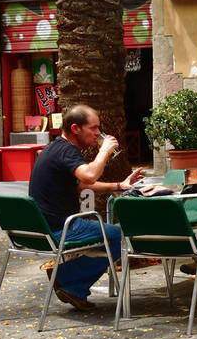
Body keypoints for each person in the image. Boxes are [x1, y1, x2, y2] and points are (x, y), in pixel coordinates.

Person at [27, 103, 144, 311]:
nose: (98, 133)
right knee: (121, 237)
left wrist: (119, 185)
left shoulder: (55, 148)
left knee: (109, 235)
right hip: (61, 228)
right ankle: (69, 281)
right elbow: (89, 175)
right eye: (93, 128)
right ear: (75, 128)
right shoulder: (67, 150)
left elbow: (82, 184)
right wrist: (104, 151)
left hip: (40, 229)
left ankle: (68, 278)